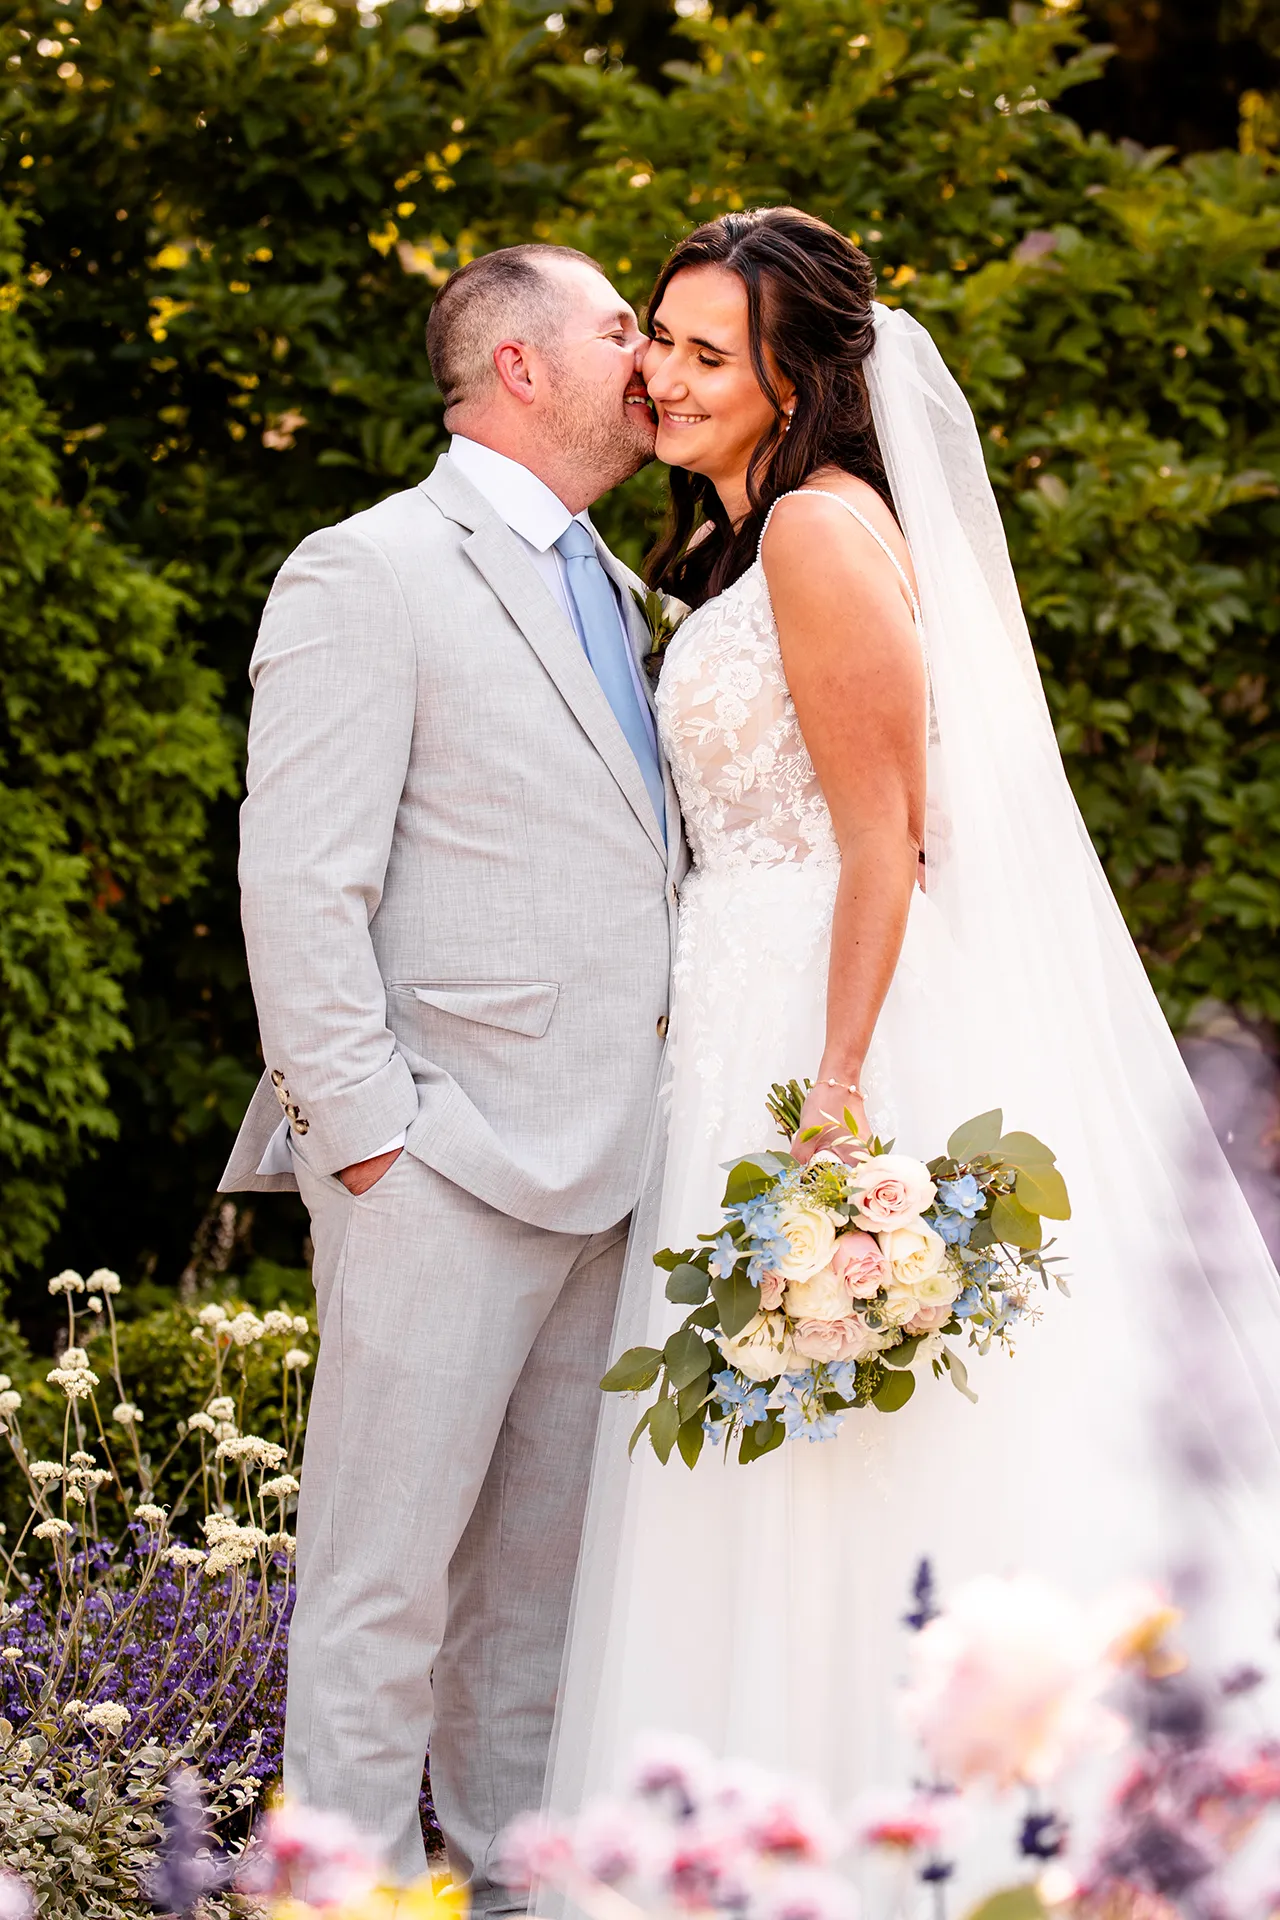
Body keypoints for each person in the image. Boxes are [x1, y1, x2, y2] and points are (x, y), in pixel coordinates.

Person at [546, 207, 1280, 1877]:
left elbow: (891, 840)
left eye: (703, 352)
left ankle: (928, 1846)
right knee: (770, 1451)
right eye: (656, 334)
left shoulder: (815, 531)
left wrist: (836, 1096)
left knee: (856, 1444)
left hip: (822, 1030)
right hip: (739, 1013)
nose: (660, 373)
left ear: (796, 382)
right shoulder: (741, 544)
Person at [218, 243, 686, 1902]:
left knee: (535, 1603)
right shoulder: (368, 571)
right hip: (439, 1165)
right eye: (624, 326)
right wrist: (369, 1144)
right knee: (377, 1590)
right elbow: (299, 878)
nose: (654, 357)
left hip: (619, 1166)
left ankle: (514, 1891)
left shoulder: (624, 592)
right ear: (521, 368)